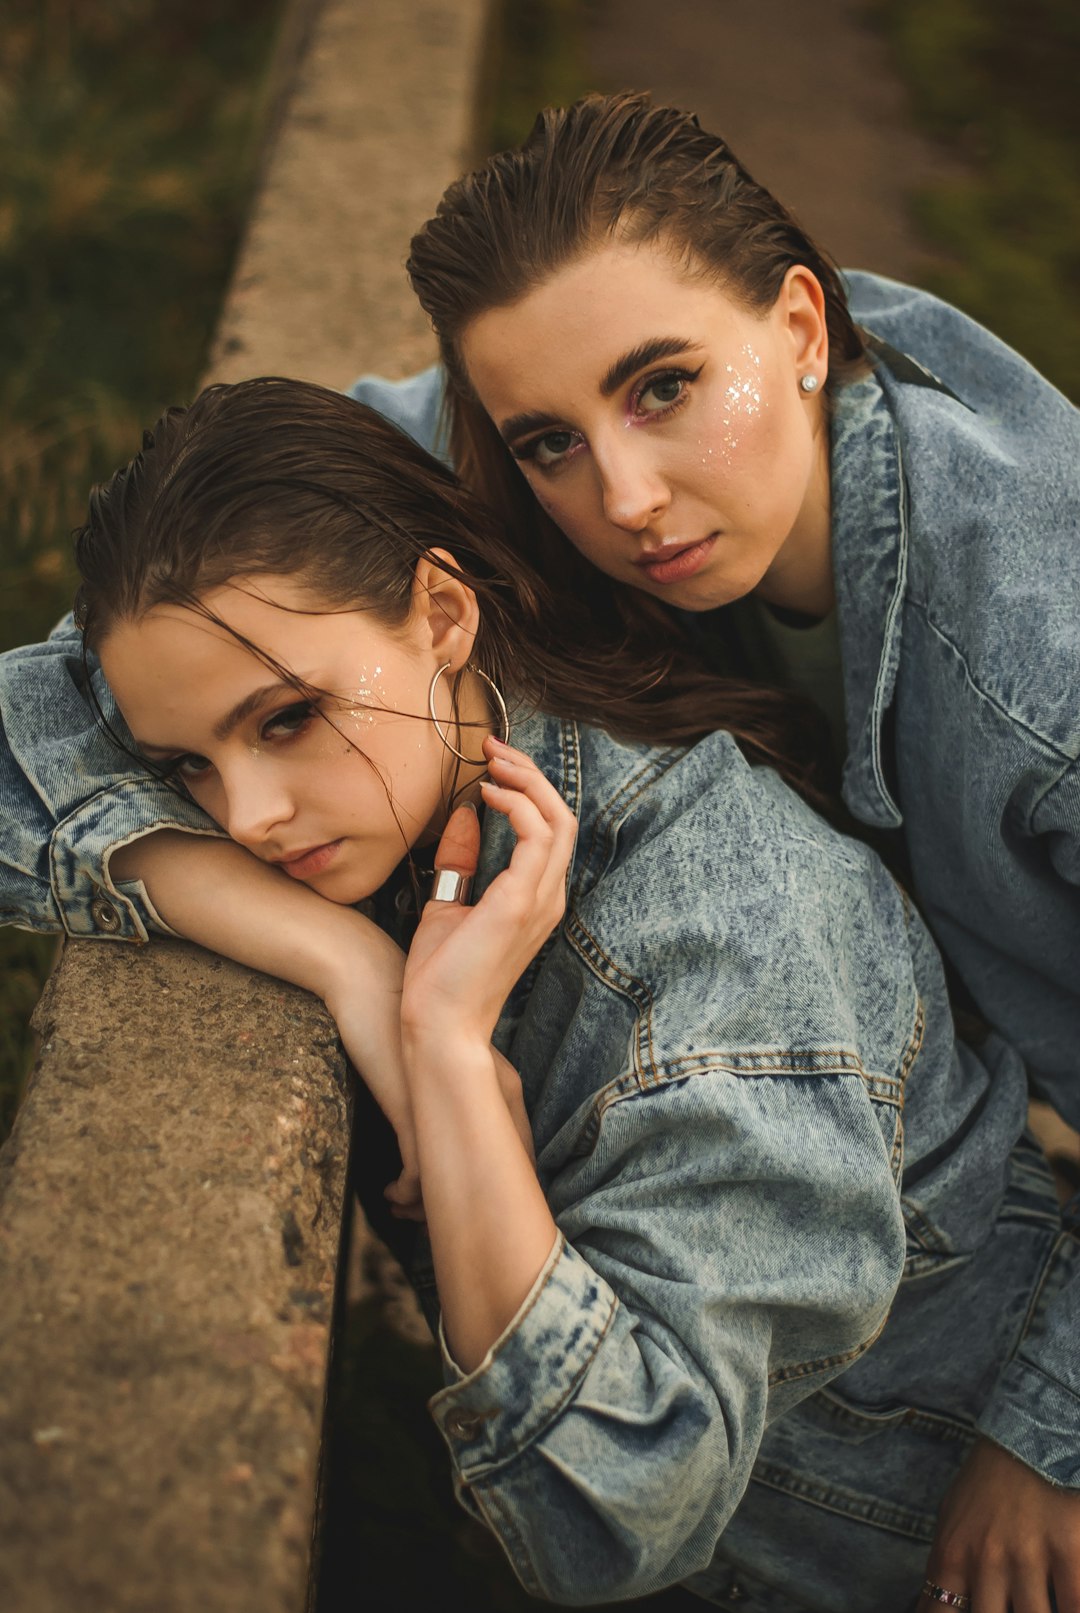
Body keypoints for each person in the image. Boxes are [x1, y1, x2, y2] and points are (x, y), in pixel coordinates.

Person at [2, 377, 1076, 1611]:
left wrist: (447, 1054)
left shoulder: (722, 945)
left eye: (289, 721)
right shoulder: (439, 753)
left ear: (444, 612)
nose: (245, 817)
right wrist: (343, 959)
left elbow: (610, 1503)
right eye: (185, 763)